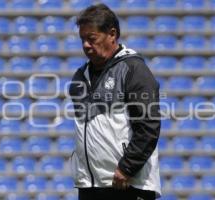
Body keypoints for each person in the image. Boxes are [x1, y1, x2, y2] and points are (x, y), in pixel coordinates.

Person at [69, 3, 161, 200]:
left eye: (91, 39)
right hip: (90, 185)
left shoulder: (134, 70)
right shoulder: (80, 76)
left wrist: (127, 168)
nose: (85, 45)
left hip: (127, 183)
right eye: (82, 39)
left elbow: (148, 126)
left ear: (112, 34)